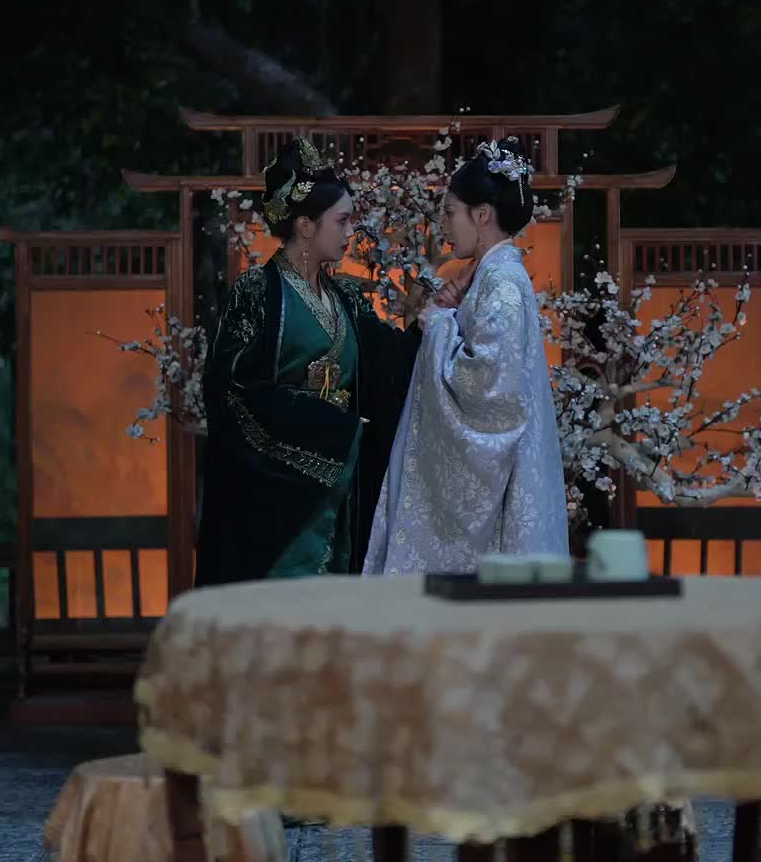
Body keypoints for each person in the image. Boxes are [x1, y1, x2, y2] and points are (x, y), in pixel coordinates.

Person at [196, 138, 421, 584]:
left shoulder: (346, 298)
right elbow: (231, 391)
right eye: (342, 220)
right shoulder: (257, 293)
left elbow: (390, 364)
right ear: (304, 225)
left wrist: (428, 327)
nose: (350, 231)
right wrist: (325, 428)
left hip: (338, 492)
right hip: (275, 495)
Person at [364, 139, 569, 574]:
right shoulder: (494, 275)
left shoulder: (502, 282)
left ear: (481, 215)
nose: (443, 224)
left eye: (450, 212)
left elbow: (489, 388)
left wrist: (437, 322)